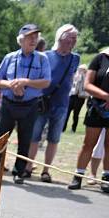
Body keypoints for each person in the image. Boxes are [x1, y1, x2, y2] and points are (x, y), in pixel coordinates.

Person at [0, 24, 51, 183]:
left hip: (30, 105)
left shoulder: (42, 59)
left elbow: (46, 82)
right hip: (9, 103)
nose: (34, 40)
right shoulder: (10, 57)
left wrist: (26, 82)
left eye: (36, 37)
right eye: (30, 37)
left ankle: (18, 172)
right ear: (21, 40)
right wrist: (11, 85)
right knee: (1, 137)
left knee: (25, 139)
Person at [24, 25, 80, 181]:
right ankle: (28, 167)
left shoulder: (75, 58)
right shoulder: (45, 56)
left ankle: (46, 171)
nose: (73, 41)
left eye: (75, 38)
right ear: (61, 37)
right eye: (71, 37)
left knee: (54, 139)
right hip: (42, 102)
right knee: (34, 137)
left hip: (61, 104)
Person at [69, 46, 109, 192]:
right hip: (97, 108)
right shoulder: (101, 58)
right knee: (88, 144)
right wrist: (106, 96)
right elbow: (87, 85)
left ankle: (106, 178)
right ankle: (78, 175)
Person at [65, 65, 88, 133]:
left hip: (80, 97)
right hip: (72, 96)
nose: (80, 70)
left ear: (85, 70)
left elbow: (86, 88)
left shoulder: (86, 78)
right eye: (79, 69)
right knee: (67, 113)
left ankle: (73, 129)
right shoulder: (75, 76)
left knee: (76, 114)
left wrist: (82, 76)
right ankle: (63, 128)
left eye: (82, 69)